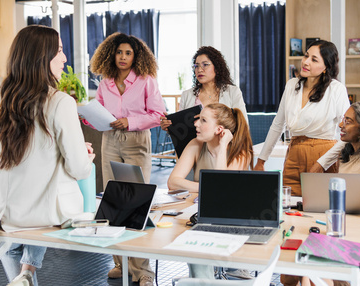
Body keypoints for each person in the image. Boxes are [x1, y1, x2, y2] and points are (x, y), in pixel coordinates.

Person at [0, 25, 95, 286]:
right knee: (55, 181)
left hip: (2, 210)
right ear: (42, 57)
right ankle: (27, 273)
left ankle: (24, 276)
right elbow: (78, 169)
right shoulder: (61, 102)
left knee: (16, 230)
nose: (64, 58)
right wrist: (84, 155)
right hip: (45, 213)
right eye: (60, 51)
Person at [88, 32, 165, 284]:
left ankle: (143, 271)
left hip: (136, 141)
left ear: (136, 56)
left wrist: (129, 121)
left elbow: (158, 115)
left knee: (136, 203)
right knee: (113, 199)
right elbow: (97, 112)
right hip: (109, 139)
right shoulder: (105, 81)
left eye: (128, 53)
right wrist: (85, 116)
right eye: (119, 52)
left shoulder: (146, 80)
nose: (123, 57)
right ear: (112, 54)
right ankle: (121, 264)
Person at [291, 102, 360, 286]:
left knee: (310, 267)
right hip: (346, 221)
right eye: (343, 119)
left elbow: (357, 197)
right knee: (292, 272)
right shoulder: (347, 153)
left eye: (348, 121)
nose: (341, 125)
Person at [167, 103, 253, 279]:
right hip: (201, 214)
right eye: (198, 119)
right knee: (190, 236)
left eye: (203, 120)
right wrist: (207, 187)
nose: (196, 124)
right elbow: (173, 182)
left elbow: (222, 188)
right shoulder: (195, 144)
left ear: (219, 129)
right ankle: (204, 281)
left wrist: (222, 148)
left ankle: (223, 274)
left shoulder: (239, 152)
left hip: (232, 218)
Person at [254, 40, 350, 197]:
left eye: (314, 59)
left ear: (326, 67)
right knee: (289, 208)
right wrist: (261, 160)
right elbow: (278, 125)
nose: (306, 62)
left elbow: (348, 132)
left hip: (324, 155)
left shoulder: (336, 89)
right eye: (306, 56)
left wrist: (323, 162)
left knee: (320, 207)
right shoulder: (292, 85)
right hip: (294, 155)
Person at [160, 46, 248, 131]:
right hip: (195, 145)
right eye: (196, 66)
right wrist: (170, 127)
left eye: (205, 65)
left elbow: (243, 125)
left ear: (217, 68)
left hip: (225, 145)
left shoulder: (233, 92)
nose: (199, 70)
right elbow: (182, 130)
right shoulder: (186, 95)